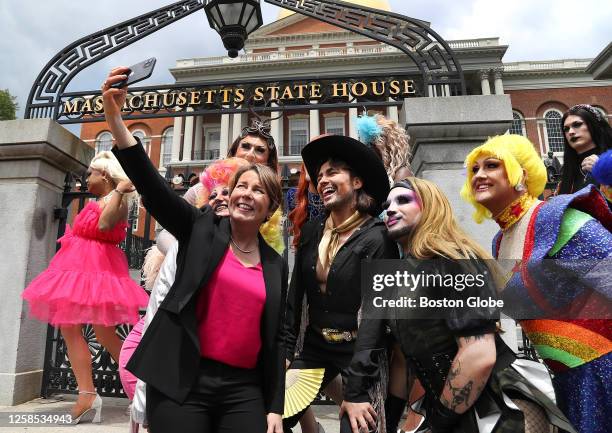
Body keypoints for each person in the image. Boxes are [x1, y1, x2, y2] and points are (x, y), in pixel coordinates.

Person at [103, 67, 287, 433]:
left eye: (258, 190)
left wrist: (275, 408)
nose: (246, 194)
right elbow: (151, 186)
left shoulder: (275, 264)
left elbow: (277, 337)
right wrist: (115, 118)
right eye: (240, 186)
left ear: (270, 207)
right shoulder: (200, 229)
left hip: (243, 389)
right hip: (182, 378)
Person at [341, 177, 576, 433]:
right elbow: (404, 360)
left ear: (430, 207)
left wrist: (438, 422)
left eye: (404, 200)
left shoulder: (455, 260)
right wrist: (391, 417)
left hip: (498, 408)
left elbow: (479, 355)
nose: (391, 209)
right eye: (387, 204)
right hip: (448, 408)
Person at [461, 134, 612, 433]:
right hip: (567, 380)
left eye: (491, 165)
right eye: (474, 169)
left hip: (603, 372)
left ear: (522, 174)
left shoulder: (558, 218)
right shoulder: (499, 241)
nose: (479, 175)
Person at [283, 134, 399, 433]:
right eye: (319, 176)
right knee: (272, 419)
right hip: (315, 350)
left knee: (360, 428)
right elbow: (294, 302)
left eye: (333, 172)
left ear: (357, 182)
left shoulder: (378, 237)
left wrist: (356, 390)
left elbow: (375, 317)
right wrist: (284, 357)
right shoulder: (311, 231)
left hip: (359, 356)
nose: (322, 180)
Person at [22, 151, 148, 424]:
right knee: (72, 328)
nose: (85, 178)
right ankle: (88, 394)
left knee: (104, 335)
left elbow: (104, 225)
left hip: (97, 271)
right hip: (79, 269)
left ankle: (139, 388)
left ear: (104, 175)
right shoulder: (102, 199)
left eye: (90, 173)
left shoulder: (118, 201)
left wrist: (120, 190)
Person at [557, 104, 612, 195]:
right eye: (566, 129)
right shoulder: (568, 173)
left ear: (593, 125)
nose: (571, 132)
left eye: (577, 125)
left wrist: (606, 170)